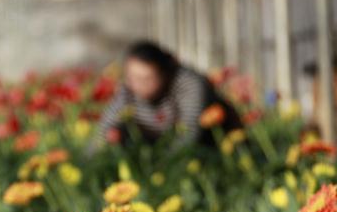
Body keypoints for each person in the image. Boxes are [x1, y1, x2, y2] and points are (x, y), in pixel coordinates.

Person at [92, 41, 241, 150]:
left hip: (215, 147)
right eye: (132, 78)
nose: (138, 85)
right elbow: (103, 132)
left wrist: (163, 170)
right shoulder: (129, 89)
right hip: (161, 150)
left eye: (146, 79)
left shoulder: (189, 83)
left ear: (165, 73)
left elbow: (189, 135)